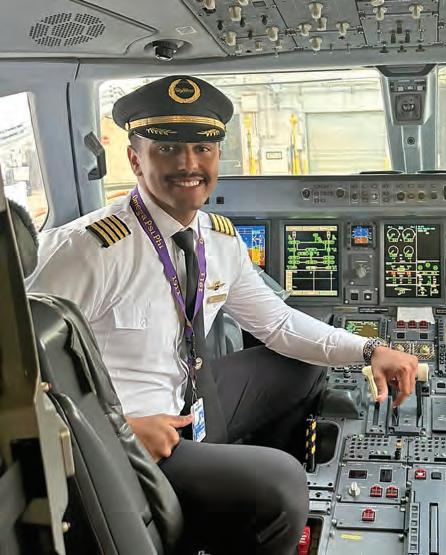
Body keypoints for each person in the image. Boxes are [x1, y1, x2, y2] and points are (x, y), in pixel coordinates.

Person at [26, 75, 418, 555]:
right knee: (281, 485)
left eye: (202, 148)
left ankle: (225, 496)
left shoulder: (218, 239)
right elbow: (20, 372)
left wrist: (371, 349)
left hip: (189, 399)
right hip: (135, 438)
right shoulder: (89, 250)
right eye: (167, 149)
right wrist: (117, 430)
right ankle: (242, 504)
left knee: (305, 365)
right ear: (135, 159)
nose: (189, 164)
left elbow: (278, 324)